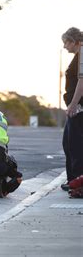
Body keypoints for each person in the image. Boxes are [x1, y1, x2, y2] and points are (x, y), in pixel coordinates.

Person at [60, 27, 83, 191]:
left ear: (73, 41)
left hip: (79, 108)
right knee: (68, 144)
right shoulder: (78, 55)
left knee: (74, 145)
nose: (64, 46)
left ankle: (77, 182)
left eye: (65, 42)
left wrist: (74, 104)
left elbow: (82, 81)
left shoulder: (82, 53)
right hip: (75, 108)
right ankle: (73, 180)